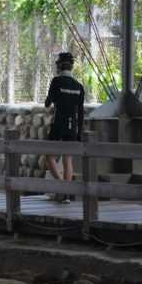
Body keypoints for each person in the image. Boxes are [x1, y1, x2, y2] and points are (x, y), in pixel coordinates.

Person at [44, 52, 85, 204]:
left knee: (49, 157)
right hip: (72, 126)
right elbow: (81, 113)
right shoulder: (79, 87)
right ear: (72, 66)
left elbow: (48, 103)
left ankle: (62, 187)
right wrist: (79, 132)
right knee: (68, 160)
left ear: (60, 66)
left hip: (58, 124)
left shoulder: (56, 81)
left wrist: (51, 98)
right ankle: (66, 194)